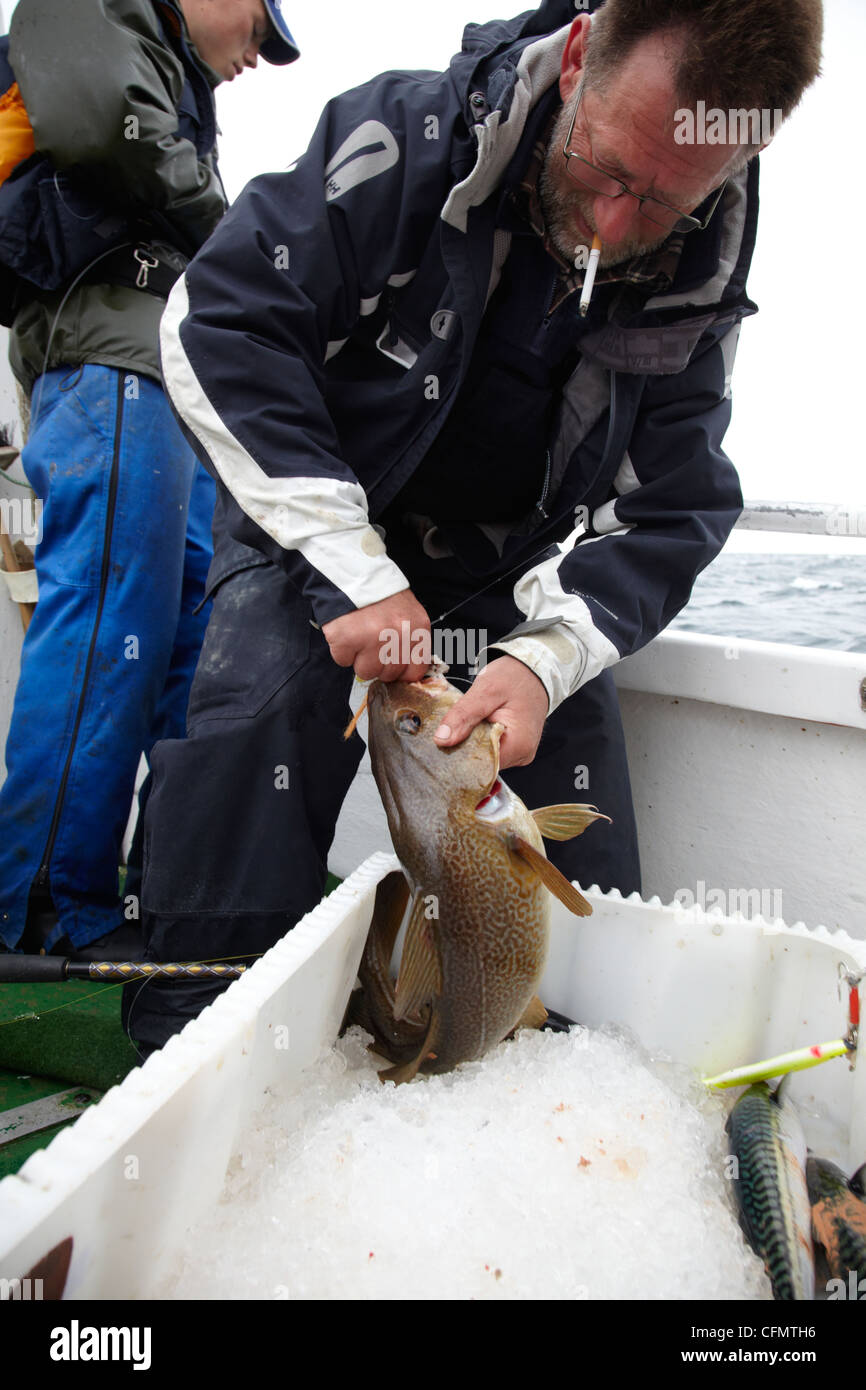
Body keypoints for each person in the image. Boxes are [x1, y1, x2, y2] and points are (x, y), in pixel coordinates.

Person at [123, 0, 823, 1053]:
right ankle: (196, 1034)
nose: (614, 226)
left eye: (663, 203)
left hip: (508, 571)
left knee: (577, 889)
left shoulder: (698, 276)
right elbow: (220, 322)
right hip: (320, 523)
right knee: (260, 697)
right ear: (581, 55)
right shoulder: (399, 139)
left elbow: (669, 504)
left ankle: (534, 1080)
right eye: (607, 172)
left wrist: (544, 660)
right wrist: (356, 574)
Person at [0, 0, 299, 958]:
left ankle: (154, 890)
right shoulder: (91, 6)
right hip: (111, 365)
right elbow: (96, 118)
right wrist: (236, 242)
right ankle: (42, 910)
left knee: (182, 638)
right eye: (261, 25)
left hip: (165, 380)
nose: (259, 55)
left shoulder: (171, 71)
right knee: (108, 626)